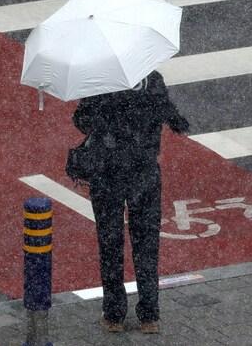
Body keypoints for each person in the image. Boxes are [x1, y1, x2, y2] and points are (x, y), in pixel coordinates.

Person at [72, 70, 189, 335]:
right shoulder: (153, 79)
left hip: (108, 173)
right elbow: (176, 120)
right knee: (146, 244)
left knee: (110, 243)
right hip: (144, 172)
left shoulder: (100, 80)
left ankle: (114, 314)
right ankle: (149, 315)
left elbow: (83, 120)